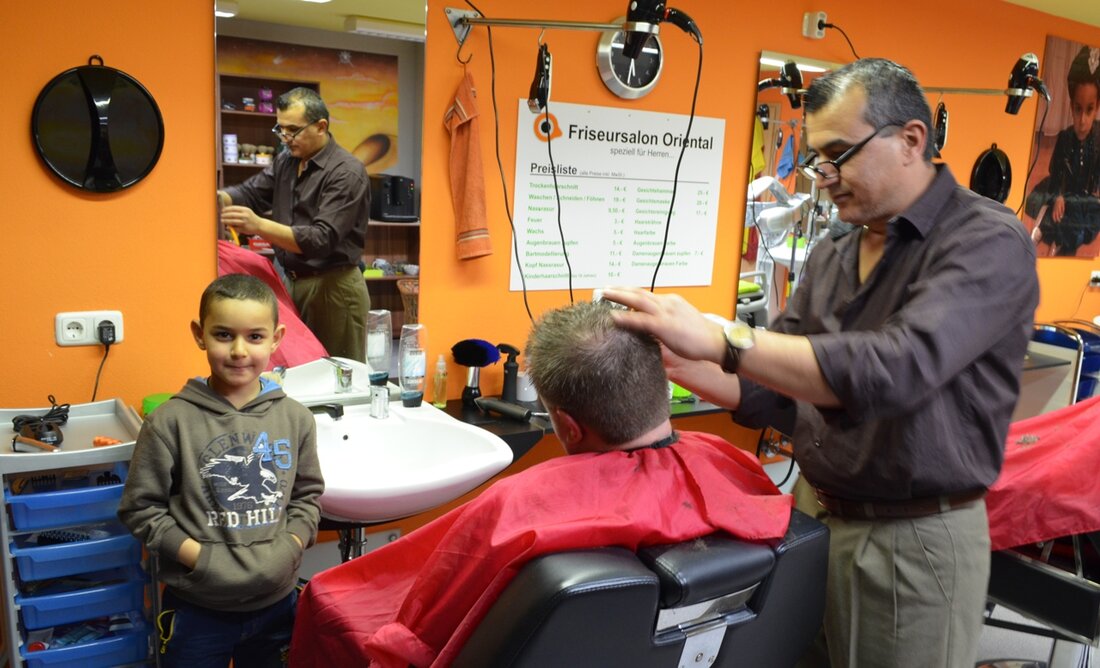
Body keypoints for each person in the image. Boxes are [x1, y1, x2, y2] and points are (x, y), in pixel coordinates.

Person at [605, 58, 1040, 668]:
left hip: (913, 540)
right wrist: (681, 361)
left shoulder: (985, 241)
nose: (823, 177)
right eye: (817, 158)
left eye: (839, 153)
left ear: (911, 139)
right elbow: (784, 393)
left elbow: (896, 368)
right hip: (814, 518)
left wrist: (722, 338)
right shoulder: (836, 248)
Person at [288, 300, 793, 667]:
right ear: (662, 381)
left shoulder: (518, 504)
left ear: (568, 427)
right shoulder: (735, 465)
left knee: (330, 597)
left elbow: (417, 637)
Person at [118, 274, 324, 667]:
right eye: (224, 335)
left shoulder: (296, 419)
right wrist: (201, 558)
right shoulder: (169, 422)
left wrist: (290, 546)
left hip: (276, 606)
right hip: (198, 610)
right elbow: (141, 509)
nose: (239, 351)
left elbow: (307, 497)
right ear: (200, 334)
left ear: (277, 339)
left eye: (255, 337)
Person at [218, 87, 371, 362]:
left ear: (321, 126)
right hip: (291, 281)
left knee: (338, 376)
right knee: (298, 367)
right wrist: (217, 199)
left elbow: (321, 240)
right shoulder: (287, 161)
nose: (285, 138)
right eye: (281, 128)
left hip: (333, 289)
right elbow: (252, 192)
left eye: (293, 130)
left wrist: (258, 225)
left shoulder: (347, 172)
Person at [1035, 45, 1100, 256]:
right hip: (1067, 191)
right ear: (1071, 106)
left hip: (1086, 198)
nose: (1082, 120)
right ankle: (1043, 233)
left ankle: (1060, 241)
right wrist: (1060, 195)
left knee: (1081, 221)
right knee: (1054, 204)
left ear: (1097, 108)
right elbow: (1057, 171)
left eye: (1089, 110)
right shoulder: (1065, 137)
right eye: (1078, 110)